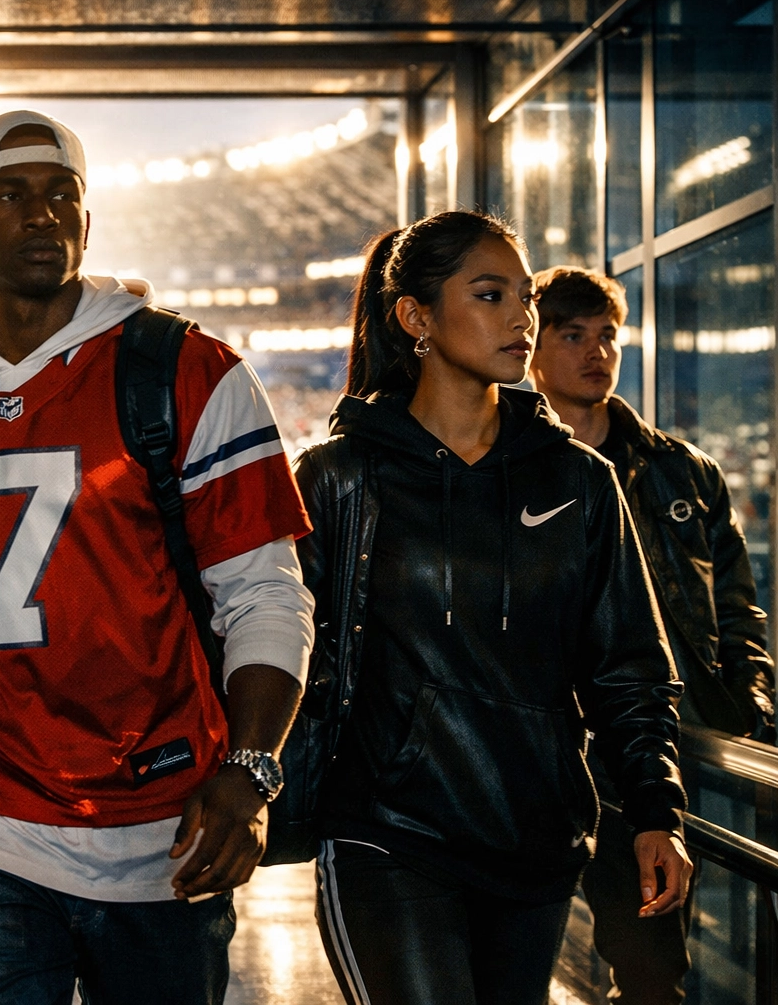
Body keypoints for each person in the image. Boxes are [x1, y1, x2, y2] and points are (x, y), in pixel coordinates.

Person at [0, 109, 315, 1005]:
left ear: (88, 219)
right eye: (11, 195)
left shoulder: (190, 371)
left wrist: (250, 771)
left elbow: (265, 594)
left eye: (62, 195)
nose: (43, 214)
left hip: (166, 816)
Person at [292, 212, 690, 1005]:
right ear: (416, 317)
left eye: (525, 296)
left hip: (535, 843)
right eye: (490, 294)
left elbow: (628, 667)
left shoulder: (580, 481)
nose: (521, 318)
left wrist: (657, 808)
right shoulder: (339, 476)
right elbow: (287, 652)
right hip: (387, 836)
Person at [528, 265, 774, 1003]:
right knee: (511, 963)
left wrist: (748, 700)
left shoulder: (683, 473)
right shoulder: (505, 467)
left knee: (651, 971)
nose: (597, 352)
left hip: (647, 747)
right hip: (540, 745)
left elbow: (737, 609)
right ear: (532, 346)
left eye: (608, 335)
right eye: (573, 335)